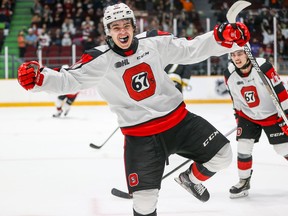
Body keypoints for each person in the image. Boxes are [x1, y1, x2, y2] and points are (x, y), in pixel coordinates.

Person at [17, 3, 250, 215]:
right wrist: (40, 79)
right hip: (141, 138)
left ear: (133, 26)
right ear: (107, 31)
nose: (122, 31)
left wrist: (221, 39)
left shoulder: (153, 42)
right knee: (145, 203)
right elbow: (68, 79)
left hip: (180, 122)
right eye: (115, 27)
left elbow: (190, 49)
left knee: (222, 155)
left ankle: (190, 178)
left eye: (126, 25)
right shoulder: (99, 59)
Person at [224, 45, 288, 199]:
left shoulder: (263, 66)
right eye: (233, 55)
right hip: (248, 116)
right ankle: (244, 182)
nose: (237, 58)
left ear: (248, 54)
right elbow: (236, 100)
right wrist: (239, 119)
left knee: (282, 149)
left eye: (240, 54)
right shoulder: (229, 74)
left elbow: (281, 91)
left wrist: (286, 114)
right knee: (243, 147)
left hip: (273, 114)